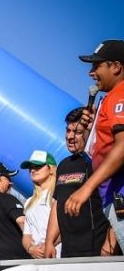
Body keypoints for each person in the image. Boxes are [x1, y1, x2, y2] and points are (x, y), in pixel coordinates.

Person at [67, 40, 124, 253]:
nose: (91, 73)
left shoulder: (120, 94)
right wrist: (90, 129)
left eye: (97, 66)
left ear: (116, 67)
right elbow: (96, 149)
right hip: (114, 194)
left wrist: (86, 187)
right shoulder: (109, 98)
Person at [45, 108, 112, 258]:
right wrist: (49, 241)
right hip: (69, 252)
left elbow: (117, 201)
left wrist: (110, 242)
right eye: (68, 131)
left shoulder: (102, 162)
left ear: (90, 132)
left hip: (100, 250)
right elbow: (57, 205)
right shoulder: (63, 165)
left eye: (78, 132)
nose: (70, 137)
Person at [20, 150, 60, 258]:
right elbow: (26, 234)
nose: (33, 170)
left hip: (59, 256)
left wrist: (49, 244)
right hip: (38, 260)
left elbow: (68, 227)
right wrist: (30, 248)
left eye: (38, 166)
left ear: (51, 169)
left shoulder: (59, 195)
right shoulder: (29, 202)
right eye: (30, 167)